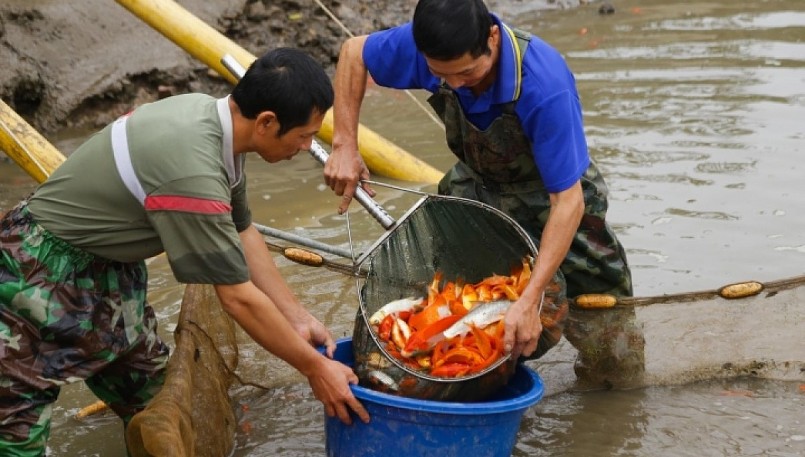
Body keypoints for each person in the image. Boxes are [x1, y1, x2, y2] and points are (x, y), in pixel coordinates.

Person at [0, 47, 369, 454]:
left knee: (158, 401)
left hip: (109, 271)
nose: (305, 148)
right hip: (33, 275)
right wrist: (315, 369)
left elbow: (242, 231)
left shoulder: (216, 125)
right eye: (304, 136)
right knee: (18, 429)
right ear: (267, 122)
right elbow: (237, 298)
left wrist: (296, 316)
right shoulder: (193, 168)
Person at [325, 0, 644, 387]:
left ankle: (608, 405)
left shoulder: (544, 85)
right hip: (477, 185)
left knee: (610, 341)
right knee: (452, 302)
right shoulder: (429, 46)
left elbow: (569, 201)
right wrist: (345, 143)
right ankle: (470, 387)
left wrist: (530, 300)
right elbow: (353, 53)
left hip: (553, 198)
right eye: (443, 75)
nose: (456, 84)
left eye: (467, 72)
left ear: (492, 37)